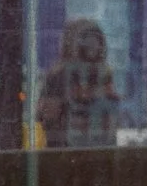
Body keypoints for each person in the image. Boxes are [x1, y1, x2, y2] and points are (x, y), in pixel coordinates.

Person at [39, 16, 120, 149]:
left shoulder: (58, 74)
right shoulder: (105, 73)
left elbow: (46, 119)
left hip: (66, 155)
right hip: (99, 155)